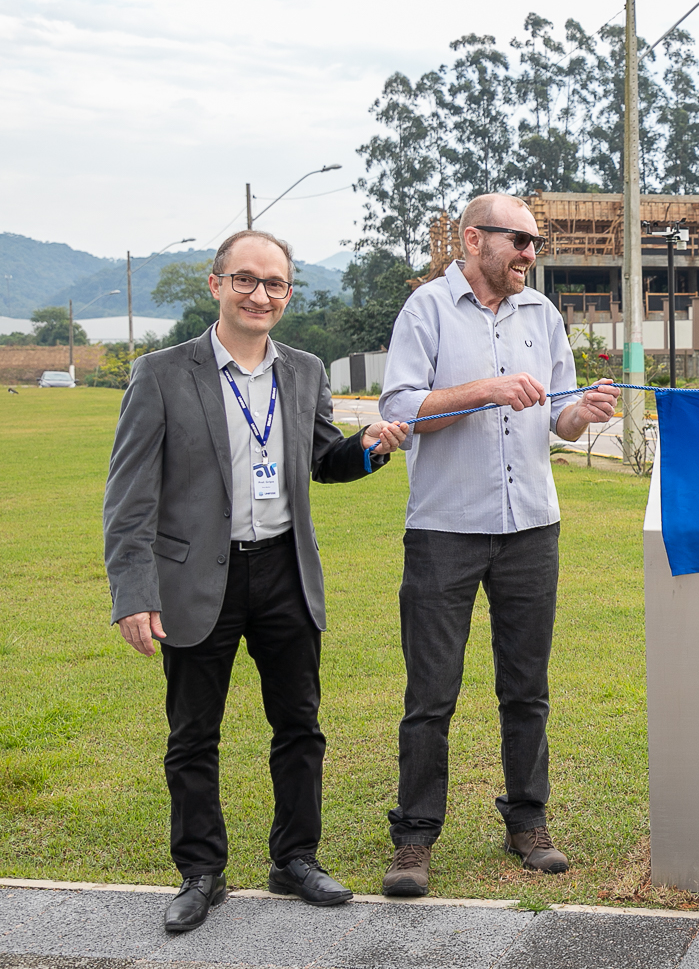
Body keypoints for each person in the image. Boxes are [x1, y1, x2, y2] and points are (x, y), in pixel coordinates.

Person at [102, 229, 409, 933]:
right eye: (245, 280)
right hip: (194, 578)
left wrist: (368, 450)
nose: (259, 294)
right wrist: (134, 593)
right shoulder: (160, 373)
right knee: (192, 735)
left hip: (283, 571)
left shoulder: (302, 371)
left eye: (274, 284)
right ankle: (201, 871)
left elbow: (323, 461)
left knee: (299, 726)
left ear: (289, 295)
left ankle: (295, 858)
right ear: (216, 285)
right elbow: (129, 500)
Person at [377, 193, 620, 896]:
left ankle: (528, 822)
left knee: (527, 689)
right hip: (444, 530)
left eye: (535, 243)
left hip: (531, 528)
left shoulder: (542, 315)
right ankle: (415, 838)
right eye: (519, 240)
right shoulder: (425, 309)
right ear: (474, 238)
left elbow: (560, 419)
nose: (530, 255)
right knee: (431, 692)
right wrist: (486, 388)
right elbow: (399, 411)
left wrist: (584, 410)